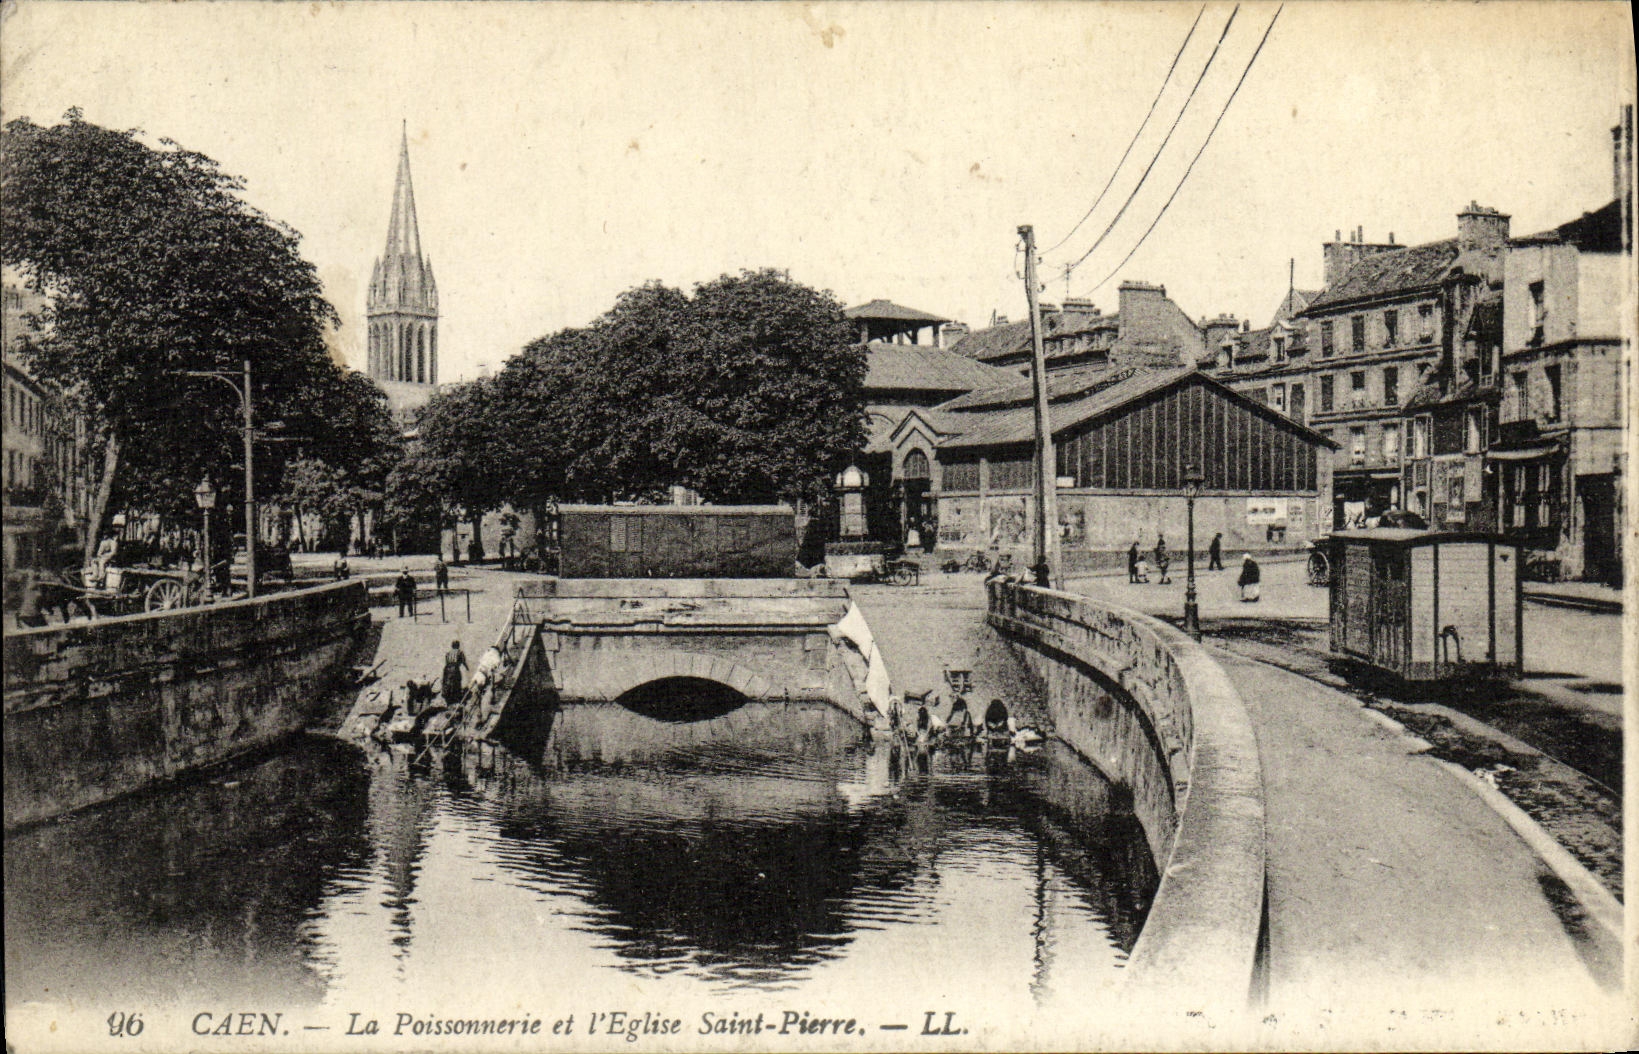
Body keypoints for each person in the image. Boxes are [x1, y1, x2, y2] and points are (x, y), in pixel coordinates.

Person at [441, 639, 468, 709]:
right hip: (455, 668)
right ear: (458, 646)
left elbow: (446, 662)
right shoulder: (460, 652)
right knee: (457, 682)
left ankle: (448, 696)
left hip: (447, 668)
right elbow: (463, 661)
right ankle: (456, 697)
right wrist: (467, 668)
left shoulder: (448, 653)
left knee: (447, 682)